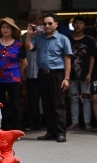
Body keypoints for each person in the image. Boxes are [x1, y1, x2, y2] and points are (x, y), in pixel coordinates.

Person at [26, 13, 71, 142]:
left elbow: (67, 60)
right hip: (42, 73)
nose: (47, 26)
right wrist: (29, 34)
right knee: (46, 104)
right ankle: (50, 131)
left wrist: (66, 78)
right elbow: (29, 47)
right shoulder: (39, 38)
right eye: (45, 24)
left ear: (56, 24)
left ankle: (61, 132)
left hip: (57, 74)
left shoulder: (63, 39)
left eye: (50, 23)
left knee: (58, 103)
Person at [0, 18, 24, 131]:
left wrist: (19, 73)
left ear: (12, 30)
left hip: (13, 79)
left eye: (8, 27)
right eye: (3, 27)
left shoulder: (19, 45)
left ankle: (17, 129)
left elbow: (24, 62)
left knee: (15, 105)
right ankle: (3, 128)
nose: (5, 30)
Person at [67, 17, 96, 131]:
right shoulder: (67, 39)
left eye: (81, 23)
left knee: (86, 97)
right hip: (72, 73)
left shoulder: (89, 40)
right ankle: (75, 122)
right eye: (76, 23)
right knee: (73, 98)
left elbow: (92, 57)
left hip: (85, 73)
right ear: (72, 25)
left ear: (84, 26)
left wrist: (90, 72)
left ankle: (87, 122)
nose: (78, 25)